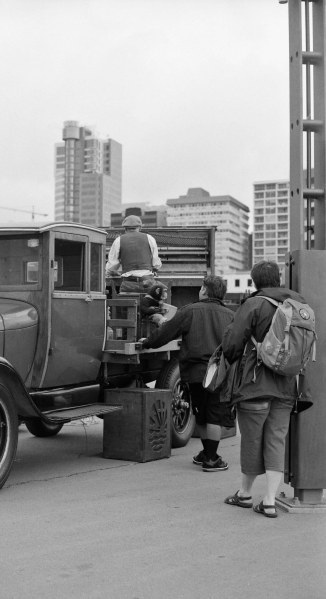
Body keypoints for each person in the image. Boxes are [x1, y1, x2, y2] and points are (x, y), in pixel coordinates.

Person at [222, 260, 307, 518]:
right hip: (287, 385)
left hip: (255, 384)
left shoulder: (254, 304)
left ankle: (245, 494)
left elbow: (232, 344)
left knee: (252, 440)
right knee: (275, 441)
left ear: (255, 281)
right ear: (279, 279)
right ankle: (269, 500)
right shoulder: (298, 305)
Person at [139, 275, 235, 471]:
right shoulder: (231, 316)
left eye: (201, 288)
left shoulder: (189, 311)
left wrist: (147, 342)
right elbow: (236, 346)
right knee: (214, 415)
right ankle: (210, 456)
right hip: (219, 373)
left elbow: (167, 332)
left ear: (205, 291)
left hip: (194, 372)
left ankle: (209, 456)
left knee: (200, 413)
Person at [106, 215, 162, 293]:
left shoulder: (118, 240)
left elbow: (111, 267)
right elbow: (156, 264)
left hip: (128, 283)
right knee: (152, 300)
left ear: (125, 228)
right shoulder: (149, 238)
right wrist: (152, 269)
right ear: (140, 228)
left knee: (126, 300)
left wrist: (113, 272)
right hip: (147, 282)